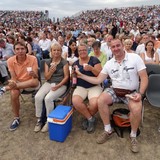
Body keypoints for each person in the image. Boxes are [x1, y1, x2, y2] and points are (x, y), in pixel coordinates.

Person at [76, 39, 148, 153]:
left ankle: (133, 135)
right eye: (113, 47)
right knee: (101, 100)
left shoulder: (135, 58)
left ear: (122, 45)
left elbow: (144, 77)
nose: (116, 48)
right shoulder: (109, 63)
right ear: (110, 49)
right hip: (114, 90)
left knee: (136, 108)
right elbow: (98, 79)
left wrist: (141, 94)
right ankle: (108, 129)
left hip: (131, 91)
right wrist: (81, 76)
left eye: (118, 45)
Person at [0, 41, 40, 131]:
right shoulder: (10, 61)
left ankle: (5, 88)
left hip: (31, 82)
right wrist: (13, 83)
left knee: (34, 82)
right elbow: (13, 78)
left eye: (22, 49)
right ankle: (16, 118)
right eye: (17, 49)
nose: (20, 51)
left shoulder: (33, 58)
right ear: (14, 51)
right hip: (19, 84)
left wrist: (34, 74)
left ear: (26, 49)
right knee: (13, 93)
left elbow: (36, 78)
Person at [34, 43, 69, 133]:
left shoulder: (64, 62)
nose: (56, 52)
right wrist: (51, 71)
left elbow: (66, 77)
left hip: (61, 84)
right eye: (54, 50)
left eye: (58, 50)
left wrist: (58, 85)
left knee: (48, 98)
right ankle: (39, 120)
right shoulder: (48, 62)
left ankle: (49, 121)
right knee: (38, 97)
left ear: (61, 52)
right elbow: (46, 78)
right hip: (49, 82)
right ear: (51, 52)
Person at [72, 43, 103, 134]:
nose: (82, 52)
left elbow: (100, 75)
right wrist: (73, 75)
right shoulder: (75, 63)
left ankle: (87, 118)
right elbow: (73, 78)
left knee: (94, 103)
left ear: (88, 51)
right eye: (80, 50)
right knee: (76, 101)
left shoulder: (94, 60)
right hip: (81, 86)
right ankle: (90, 118)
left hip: (94, 86)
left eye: (84, 50)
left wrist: (91, 69)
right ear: (78, 52)